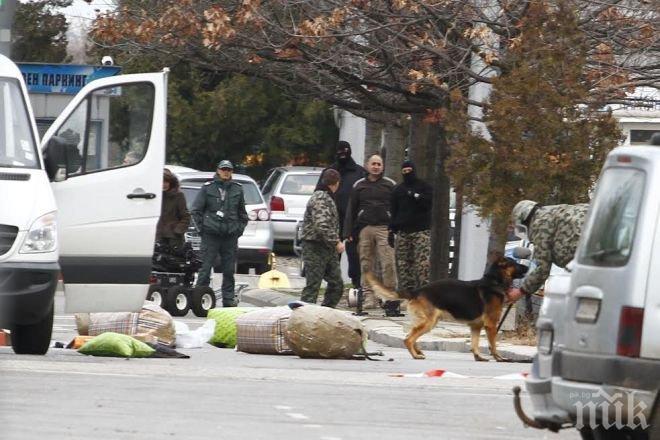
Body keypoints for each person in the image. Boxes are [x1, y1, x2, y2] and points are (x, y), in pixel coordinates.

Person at [507, 200, 589, 301]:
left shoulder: (538, 225)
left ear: (523, 221)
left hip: (589, 258)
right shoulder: (555, 210)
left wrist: (520, 291)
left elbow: (542, 269)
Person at [192, 160, 248, 307]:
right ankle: (199, 299)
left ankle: (228, 300)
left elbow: (243, 214)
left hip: (230, 236)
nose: (226, 172)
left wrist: (238, 230)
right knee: (205, 268)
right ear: (218, 170)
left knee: (229, 270)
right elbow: (196, 210)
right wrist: (202, 230)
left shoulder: (238, 189)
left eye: (228, 170)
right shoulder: (208, 188)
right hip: (211, 235)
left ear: (232, 172)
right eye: (223, 169)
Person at [344, 154, 396, 310]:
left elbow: (398, 207)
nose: (376, 167)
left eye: (379, 164)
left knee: (388, 263)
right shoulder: (359, 185)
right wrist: (348, 231)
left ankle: (389, 298)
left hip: (384, 228)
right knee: (366, 263)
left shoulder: (390, 185)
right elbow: (351, 209)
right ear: (367, 166)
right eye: (373, 163)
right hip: (365, 228)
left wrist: (396, 226)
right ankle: (369, 296)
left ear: (382, 166)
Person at [317, 141, 366, 288]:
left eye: (345, 151)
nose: (342, 154)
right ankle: (333, 285)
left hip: (353, 221)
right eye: (340, 151)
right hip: (333, 221)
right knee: (331, 257)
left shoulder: (360, 172)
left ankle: (357, 287)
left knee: (355, 258)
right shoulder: (329, 172)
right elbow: (319, 193)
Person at [389, 160, 433, 315]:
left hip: (420, 231)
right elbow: (393, 211)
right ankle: (409, 300)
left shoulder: (424, 187)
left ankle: (425, 300)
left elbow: (428, 203)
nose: (407, 174)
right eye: (404, 171)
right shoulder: (398, 190)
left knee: (422, 268)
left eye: (409, 170)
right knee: (404, 268)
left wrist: (415, 196)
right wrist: (391, 230)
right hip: (403, 232)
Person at [300, 169, 345, 307]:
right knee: (313, 285)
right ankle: (303, 317)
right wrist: (336, 241)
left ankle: (325, 313)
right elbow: (322, 225)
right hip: (314, 247)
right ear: (337, 183)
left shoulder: (327, 197)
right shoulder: (321, 198)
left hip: (327, 248)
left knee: (337, 284)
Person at [156, 169, 191, 249]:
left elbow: (186, 216)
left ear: (171, 183)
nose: (163, 185)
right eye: (161, 181)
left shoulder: (178, 195)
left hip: (173, 237)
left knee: (174, 260)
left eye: (166, 182)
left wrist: (178, 230)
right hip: (158, 236)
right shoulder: (156, 196)